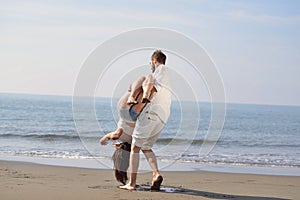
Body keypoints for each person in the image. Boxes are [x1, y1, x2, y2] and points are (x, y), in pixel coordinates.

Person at [120, 50, 171, 191]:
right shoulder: (167, 78)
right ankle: (156, 174)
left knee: (134, 148)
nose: (150, 64)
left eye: (150, 62)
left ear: (154, 60)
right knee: (146, 147)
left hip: (151, 113)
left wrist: (142, 93)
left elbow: (154, 87)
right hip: (162, 118)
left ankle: (131, 183)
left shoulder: (161, 70)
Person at [99, 74, 156, 184]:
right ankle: (133, 95)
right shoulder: (120, 136)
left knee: (145, 87)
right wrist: (105, 138)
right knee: (140, 81)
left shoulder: (134, 141)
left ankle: (142, 93)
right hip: (124, 112)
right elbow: (116, 134)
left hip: (134, 115)